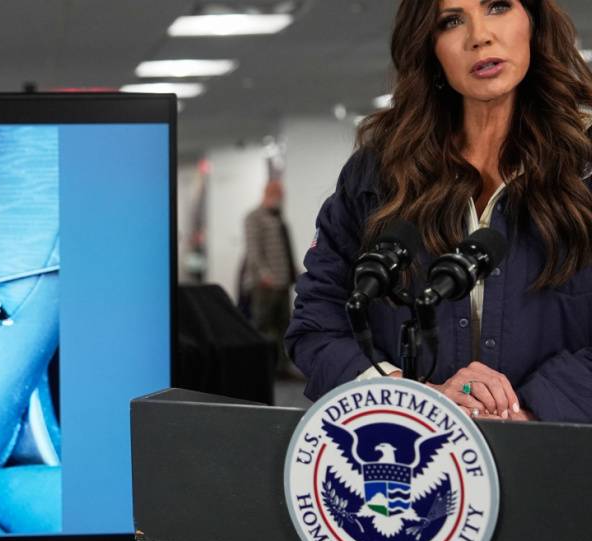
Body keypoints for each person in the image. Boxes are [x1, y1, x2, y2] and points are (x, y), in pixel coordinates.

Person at [286, 0, 592, 423]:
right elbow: (317, 325)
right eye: (451, 21)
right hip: (412, 449)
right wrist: (415, 401)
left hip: (558, 454)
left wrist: (524, 413)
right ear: (429, 48)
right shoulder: (378, 174)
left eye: (498, 6)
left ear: (534, 22)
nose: (479, 36)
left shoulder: (585, 168)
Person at [242, 179, 298, 377]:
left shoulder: (278, 218)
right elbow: (253, 251)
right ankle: (259, 369)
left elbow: (285, 250)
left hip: (283, 283)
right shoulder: (253, 217)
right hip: (264, 285)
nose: (281, 197)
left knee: (283, 327)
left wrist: (295, 273)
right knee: (262, 327)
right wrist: (264, 275)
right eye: (278, 193)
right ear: (267, 192)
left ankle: (282, 368)